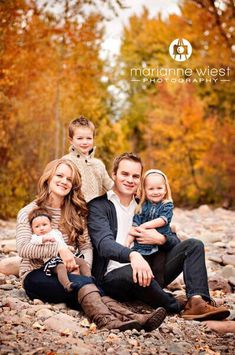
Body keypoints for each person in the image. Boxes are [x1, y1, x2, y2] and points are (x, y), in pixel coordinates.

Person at [16, 158, 166, 331]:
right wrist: (60, 248)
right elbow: (23, 248)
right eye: (60, 176)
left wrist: (84, 267)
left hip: (70, 273)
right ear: (48, 178)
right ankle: (107, 321)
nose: (64, 181)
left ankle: (136, 319)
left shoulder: (76, 212)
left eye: (69, 179)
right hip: (36, 275)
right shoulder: (28, 212)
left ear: (74, 185)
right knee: (83, 285)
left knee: (88, 284)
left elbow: (86, 246)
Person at [88, 152, 230, 321]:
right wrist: (133, 255)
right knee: (130, 272)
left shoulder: (146, 204)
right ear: (114, 175)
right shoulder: (99, 206)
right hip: (114, 275)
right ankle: (178, 305)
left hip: (152, 270)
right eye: (124, 174)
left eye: (135, 176)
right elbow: (103, 244)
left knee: (194, 245)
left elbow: (174, 241)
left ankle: (197, 300)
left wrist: (160, 239)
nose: (130, 180)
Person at [28, 206, 91, 292]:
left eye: (44, 225)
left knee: (81, 261)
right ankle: (67, 285)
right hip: (52, 261)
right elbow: (34, 242)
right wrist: (44, 239)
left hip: (66, 257)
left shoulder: (56, 233)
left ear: (50, 224)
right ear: (32, 229)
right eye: (37, 226)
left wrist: (68, 247)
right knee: (61, 268)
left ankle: (89, 278)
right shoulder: (36, 237)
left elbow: (61, 243)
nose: (41, 228)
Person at [63, 116, 113, 202]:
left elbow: (111, 186)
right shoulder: (66, 162)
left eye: (89, 138)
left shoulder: (98, 164)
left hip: (95, 212)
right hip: (73, 211)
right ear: (71, 140)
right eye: (80, 138)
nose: (85, 142)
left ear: (93, 139)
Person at [126, 169, 177, 255]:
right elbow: (135, 224)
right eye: (151, 189)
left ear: (165, 190)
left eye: (159, 188)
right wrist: (127, 243)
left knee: (159, 266)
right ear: (145, 191)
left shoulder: (167, 205)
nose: (155, 192)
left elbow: (162, 220)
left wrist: (144, 226)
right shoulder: (142, 206)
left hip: (160, 246)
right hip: (142, 246)